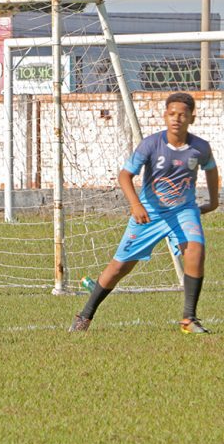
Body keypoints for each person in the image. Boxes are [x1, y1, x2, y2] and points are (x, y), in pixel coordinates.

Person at [70, 92, 218, 333]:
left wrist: (213, 202)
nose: (176, 119)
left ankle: (189, 319)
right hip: (149, 213)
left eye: (182, 114)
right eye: (172, 114)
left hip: (183, 210)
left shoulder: (200, 147)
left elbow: (211, 170)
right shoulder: (151, 144)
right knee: (120, 267)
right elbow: (125, 175)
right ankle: (84, 316)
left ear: (192, 117)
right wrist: (135, 204)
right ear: (165, 116)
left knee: (195, 250)